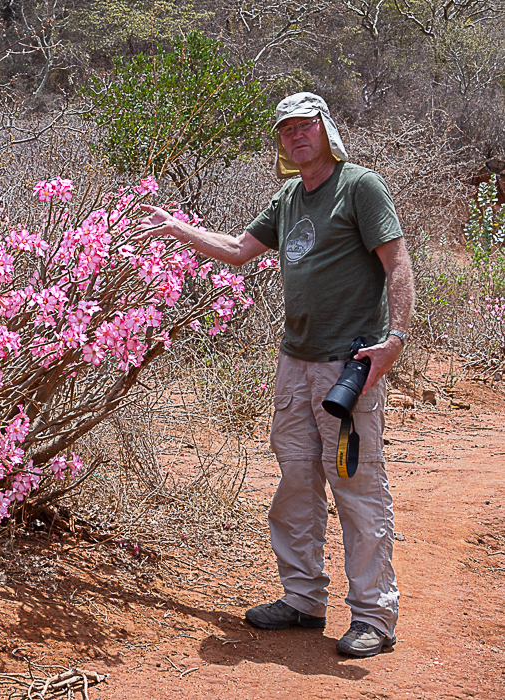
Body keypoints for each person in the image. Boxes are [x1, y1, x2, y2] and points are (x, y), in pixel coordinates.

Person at [138, 92, 415, 658]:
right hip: (295, 362)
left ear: (326, 130)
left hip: (348, 364)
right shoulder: (289, 196)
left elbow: (397, 261)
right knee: (296, 482)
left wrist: (395, 341)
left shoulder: (359, 186)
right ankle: (304, 599)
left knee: (356, 487)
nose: (296, 136)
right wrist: (175, 227)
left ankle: (374, 615)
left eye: (305, 126)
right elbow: (239, 249)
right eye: (287, 130)